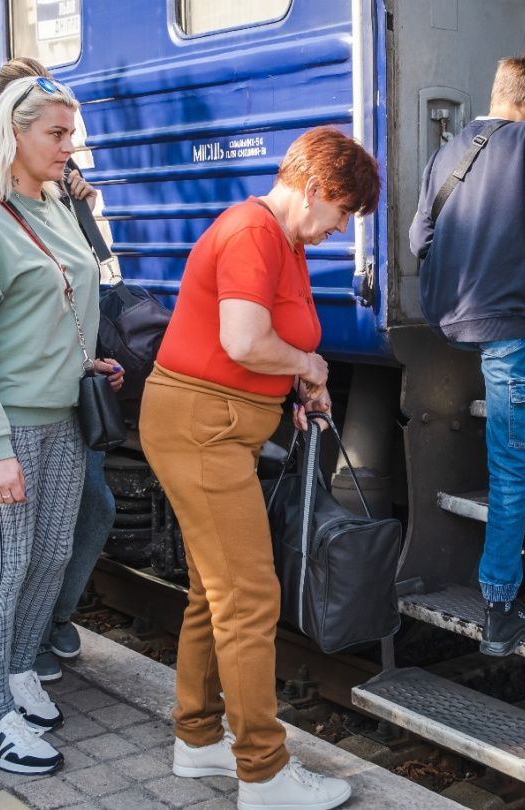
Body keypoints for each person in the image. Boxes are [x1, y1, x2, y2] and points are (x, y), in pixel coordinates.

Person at [140, 126, 379, 810]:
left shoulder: (286, 242)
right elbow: (243, 339)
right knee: (249, 597)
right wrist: (304, 365)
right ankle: (265, 774)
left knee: (215, 592)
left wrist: (297, 384)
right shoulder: (252, 231)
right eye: (342, 213)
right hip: (201, 429)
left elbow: (269, 340)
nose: (341, 228)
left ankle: (197, 738)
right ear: (316, 190)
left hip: (215, 425)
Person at [0, 76, 119, 775]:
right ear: (15, 134)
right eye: (58, 135)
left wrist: (87, 359)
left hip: (61, 411)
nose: (72, 147)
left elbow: (62, 299)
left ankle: (13, 673)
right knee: (5, 570)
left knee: (48, 556)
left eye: (73, 133)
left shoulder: (54, 205)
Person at [409, 54, 525, 657]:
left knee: (506, 459)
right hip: (502, 331)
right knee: (510, 468)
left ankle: (499, 564)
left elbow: (419, 240)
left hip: (446, 322)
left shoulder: (448, 150)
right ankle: (500, 608)